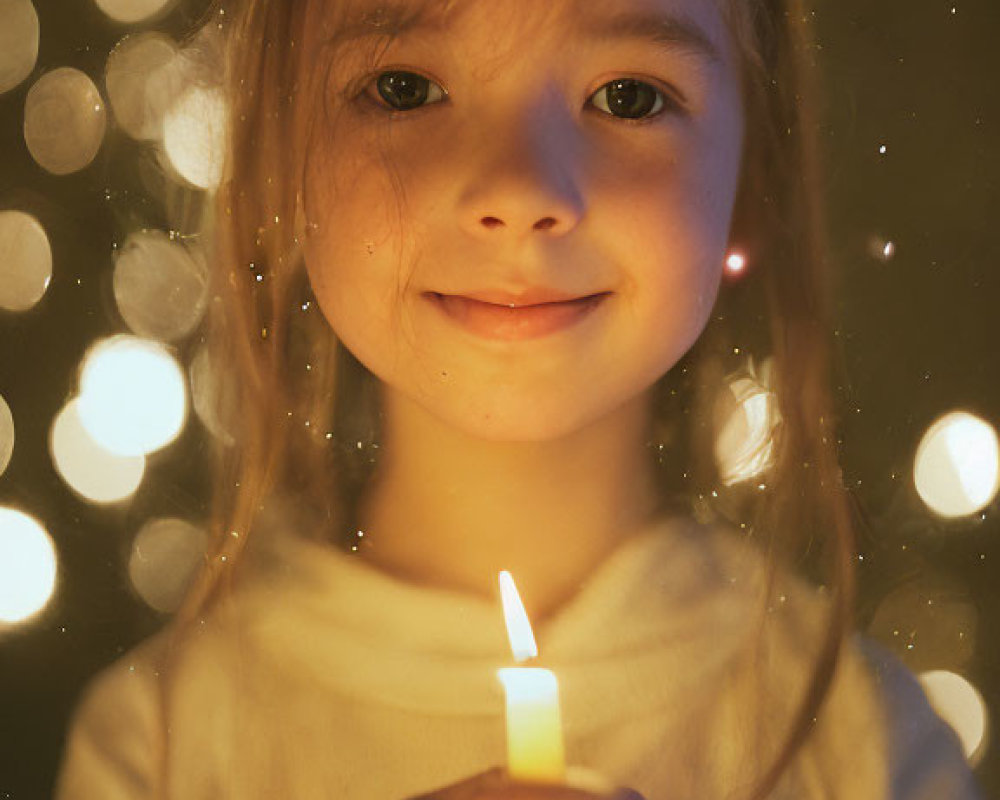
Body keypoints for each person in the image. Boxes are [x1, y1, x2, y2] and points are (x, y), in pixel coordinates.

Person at [54, 0, 986, 798]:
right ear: (281, 157)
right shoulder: (164, 749)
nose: (519, 188)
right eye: (405, 87)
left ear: (749, 174)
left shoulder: (865, 750)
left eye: (629, 96)